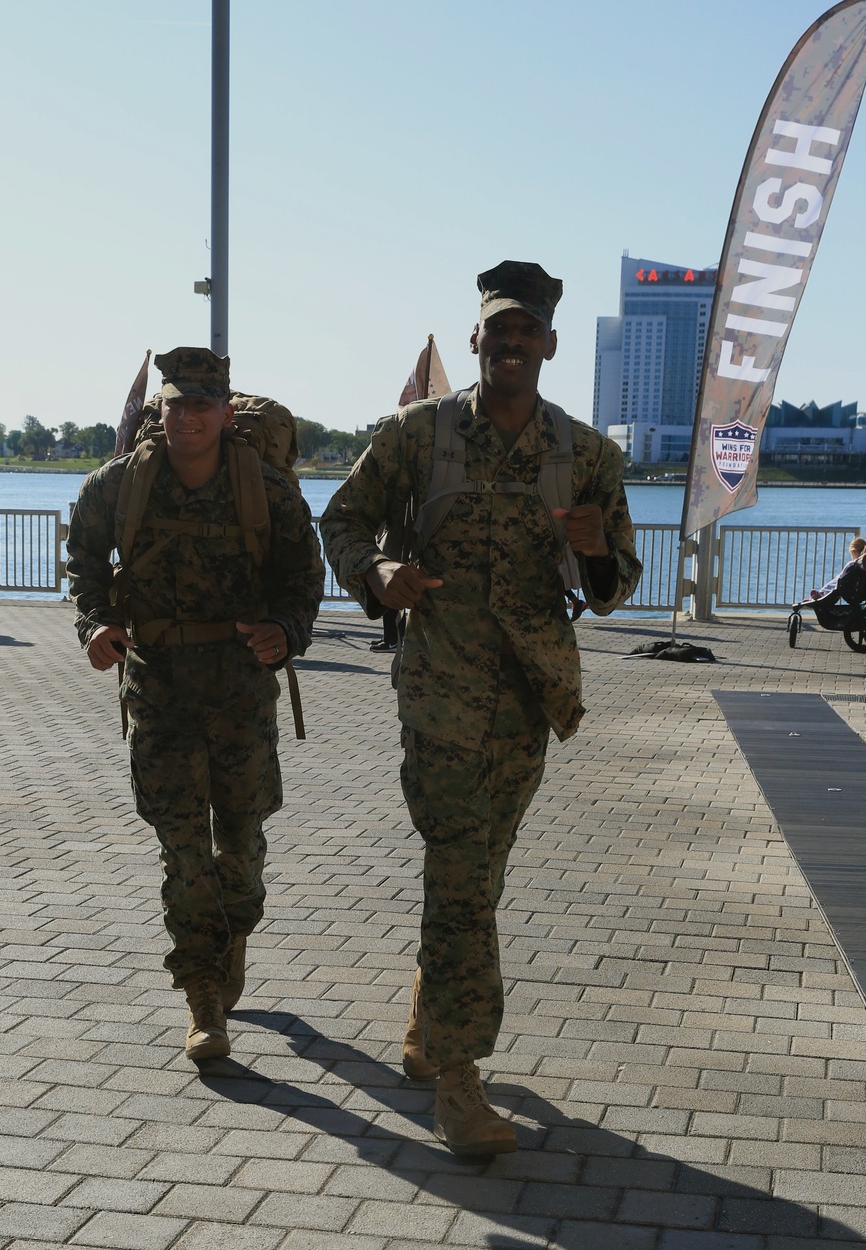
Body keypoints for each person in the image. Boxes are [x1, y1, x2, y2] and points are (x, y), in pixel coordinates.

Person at [320, 261, 641, 1157]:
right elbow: (339, 521)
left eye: (525, 330)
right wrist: (378, 574)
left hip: (529, 706)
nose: (510, 343)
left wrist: (597, 548)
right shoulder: (416, 437)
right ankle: (460, 1084)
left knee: (480, 879)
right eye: (496, 329)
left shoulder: (585, 455)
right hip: (441, 700)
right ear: (475, 340)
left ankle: (428, 1019)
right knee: (461, 876)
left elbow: (619, 584)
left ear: (548, 344)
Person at [66, 347, 324, 1062]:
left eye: (202, 405)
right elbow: (83, 559)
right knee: (182, 848)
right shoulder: (119, 485)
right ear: (164, 410)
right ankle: (204, 996)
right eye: (177, 403)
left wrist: (286, 630)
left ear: (223, 410)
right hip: (159, 691)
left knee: (239, 846)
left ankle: (234, 930)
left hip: (241, 693)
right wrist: (94, 623)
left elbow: (306, 574)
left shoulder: (265, 489)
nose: (188, 417)